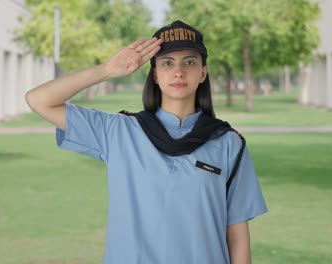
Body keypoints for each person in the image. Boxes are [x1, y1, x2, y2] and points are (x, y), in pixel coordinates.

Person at [25, 20, 267, 264]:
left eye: (190, 62)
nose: (178, 72)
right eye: (167, 63)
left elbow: (236, 234)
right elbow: (39, 100)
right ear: (155, 74)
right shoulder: (118, 132)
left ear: (203, 73)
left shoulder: (228, 144)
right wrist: (106, 71)